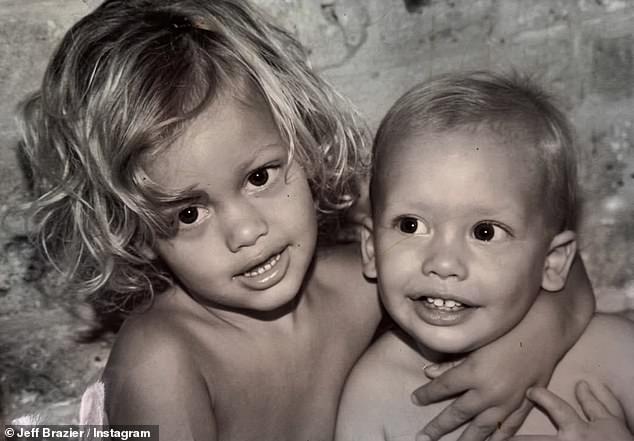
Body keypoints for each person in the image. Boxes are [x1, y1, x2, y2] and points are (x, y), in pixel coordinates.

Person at [15, 1, 594, 439]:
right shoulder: (163, 359)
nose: (245, 232)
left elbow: (559, 272)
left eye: (260, 176)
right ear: (130, 224)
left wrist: (528, 348)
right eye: (189, 212)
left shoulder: (355, 283)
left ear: (303, 141)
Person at [334, 71, 634, 441]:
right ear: (371, 249)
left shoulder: (614, 352)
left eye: (484, 232)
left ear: (553, 262)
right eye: (410, 225)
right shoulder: (372, 394)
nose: (442, 263)